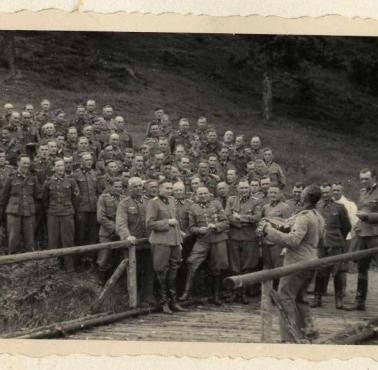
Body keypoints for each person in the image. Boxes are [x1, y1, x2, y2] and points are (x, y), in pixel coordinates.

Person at [258, 184, 325, 343]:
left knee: (285, 297)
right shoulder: (318, 216)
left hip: (297, 263)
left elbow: (293, 241)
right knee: (301, 298)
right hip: (312, 259)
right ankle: (307, 332)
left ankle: (289, 337)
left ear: (304, 197)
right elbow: (320, 238)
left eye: (302, 194)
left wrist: (269, 231)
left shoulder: (304, 217)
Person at [180, 187, 229, 305]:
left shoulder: (216, 204)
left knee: (218, 267)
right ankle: (186, 294)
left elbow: (225, 222)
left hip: (218, 239)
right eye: (200, 194)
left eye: (205, 193)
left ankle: (216, 296)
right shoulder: (193, 208)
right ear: (196, 195)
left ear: (209, 194)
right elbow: (191, 228)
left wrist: (216, 226)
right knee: (192, 262)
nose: (202, 195)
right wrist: (199, 230)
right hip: (202, 240)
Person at [145, 180, 186, 314]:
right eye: (167, 188)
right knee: (161, 271)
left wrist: (179, 241)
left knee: (174, 271)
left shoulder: (172, 200)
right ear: (160, 189)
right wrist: (167, 222)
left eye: (171, 188)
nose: (169, 190)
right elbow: (150, 223)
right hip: (161, 241)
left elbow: (176, 222)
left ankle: (173, 302)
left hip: (174, 241)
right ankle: (163, 303)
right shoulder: (153, 202)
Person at [310, 183, 351, 309]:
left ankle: (339, 300)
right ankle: (317, 298)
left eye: (328, 192)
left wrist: (338, 238)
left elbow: (346, 226)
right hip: (321, 244)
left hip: (335, 243)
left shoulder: (340, 207)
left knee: (337, 272)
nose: (325, 195)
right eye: (323, 193)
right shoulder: (316, 206)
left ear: (332, 193)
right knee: (320, 271)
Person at [116, 177, 155, 307]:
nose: (138, 189)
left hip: (148, 242)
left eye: (140, 186)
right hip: (133, 245)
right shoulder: (124, 203)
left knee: (149, 270)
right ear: (130, 188)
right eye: (135, 187)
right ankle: (134, 300)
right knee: (134, 271)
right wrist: (127, 236)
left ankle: (148, 298)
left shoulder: (148, 201)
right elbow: (121, 223)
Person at [345, 168, 378, 311]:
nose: (363, 181)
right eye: (361, 179)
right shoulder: (362, 192)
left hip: (376, 236)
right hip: (362, 235)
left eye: (366, 178)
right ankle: (360, 301)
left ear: (374, 177)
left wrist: (368, 217)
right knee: (362, 269)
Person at [225, 180, 262, 303]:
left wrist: (240, 217)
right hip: (234, 236)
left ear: (250, 188)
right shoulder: (231, 200)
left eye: (246, 187)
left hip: (249, 237)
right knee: (235, 266)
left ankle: (244, 294)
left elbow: (257, 218)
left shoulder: (256, 201)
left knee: (247, 266)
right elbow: (227, 216)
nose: (244, 190)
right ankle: (235, 293)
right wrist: (241, 224)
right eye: (242, 188)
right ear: (237, 189)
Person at [42, 159, 79, 271]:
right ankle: (53, 267)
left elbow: (76, 198)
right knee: (53, 241)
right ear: (54, 168)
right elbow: (45, 200)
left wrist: (70, 209)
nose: (60, 168)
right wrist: (51, 209)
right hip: (53, 214)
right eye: (57, 166)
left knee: (68, 241)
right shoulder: (48, 182)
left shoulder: (71, 181)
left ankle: (69, 268)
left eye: (62, 166)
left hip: (67, 213)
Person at [1, 155, 39, 254]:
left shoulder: (33, 178)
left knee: (30, 238)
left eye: (28, 163)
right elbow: (4, 197)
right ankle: (12, 264)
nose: (26, 166)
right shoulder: (11, 178)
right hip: (13, 211)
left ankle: (29, 264)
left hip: (29, 211)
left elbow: (36, 195)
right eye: (24, 163)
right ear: (18, 163)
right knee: (13, 238)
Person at [261, 184, 291, 289]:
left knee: (278, 270)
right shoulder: (265, 207)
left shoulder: (285, 207)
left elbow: (289, 226)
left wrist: (285, 246)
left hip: (278, 244)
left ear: (280, 194)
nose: (273, 195)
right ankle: (267, 296)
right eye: (271, 192)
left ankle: (277, 296)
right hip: (266, 243)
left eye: (275, 193)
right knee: (267, 269)